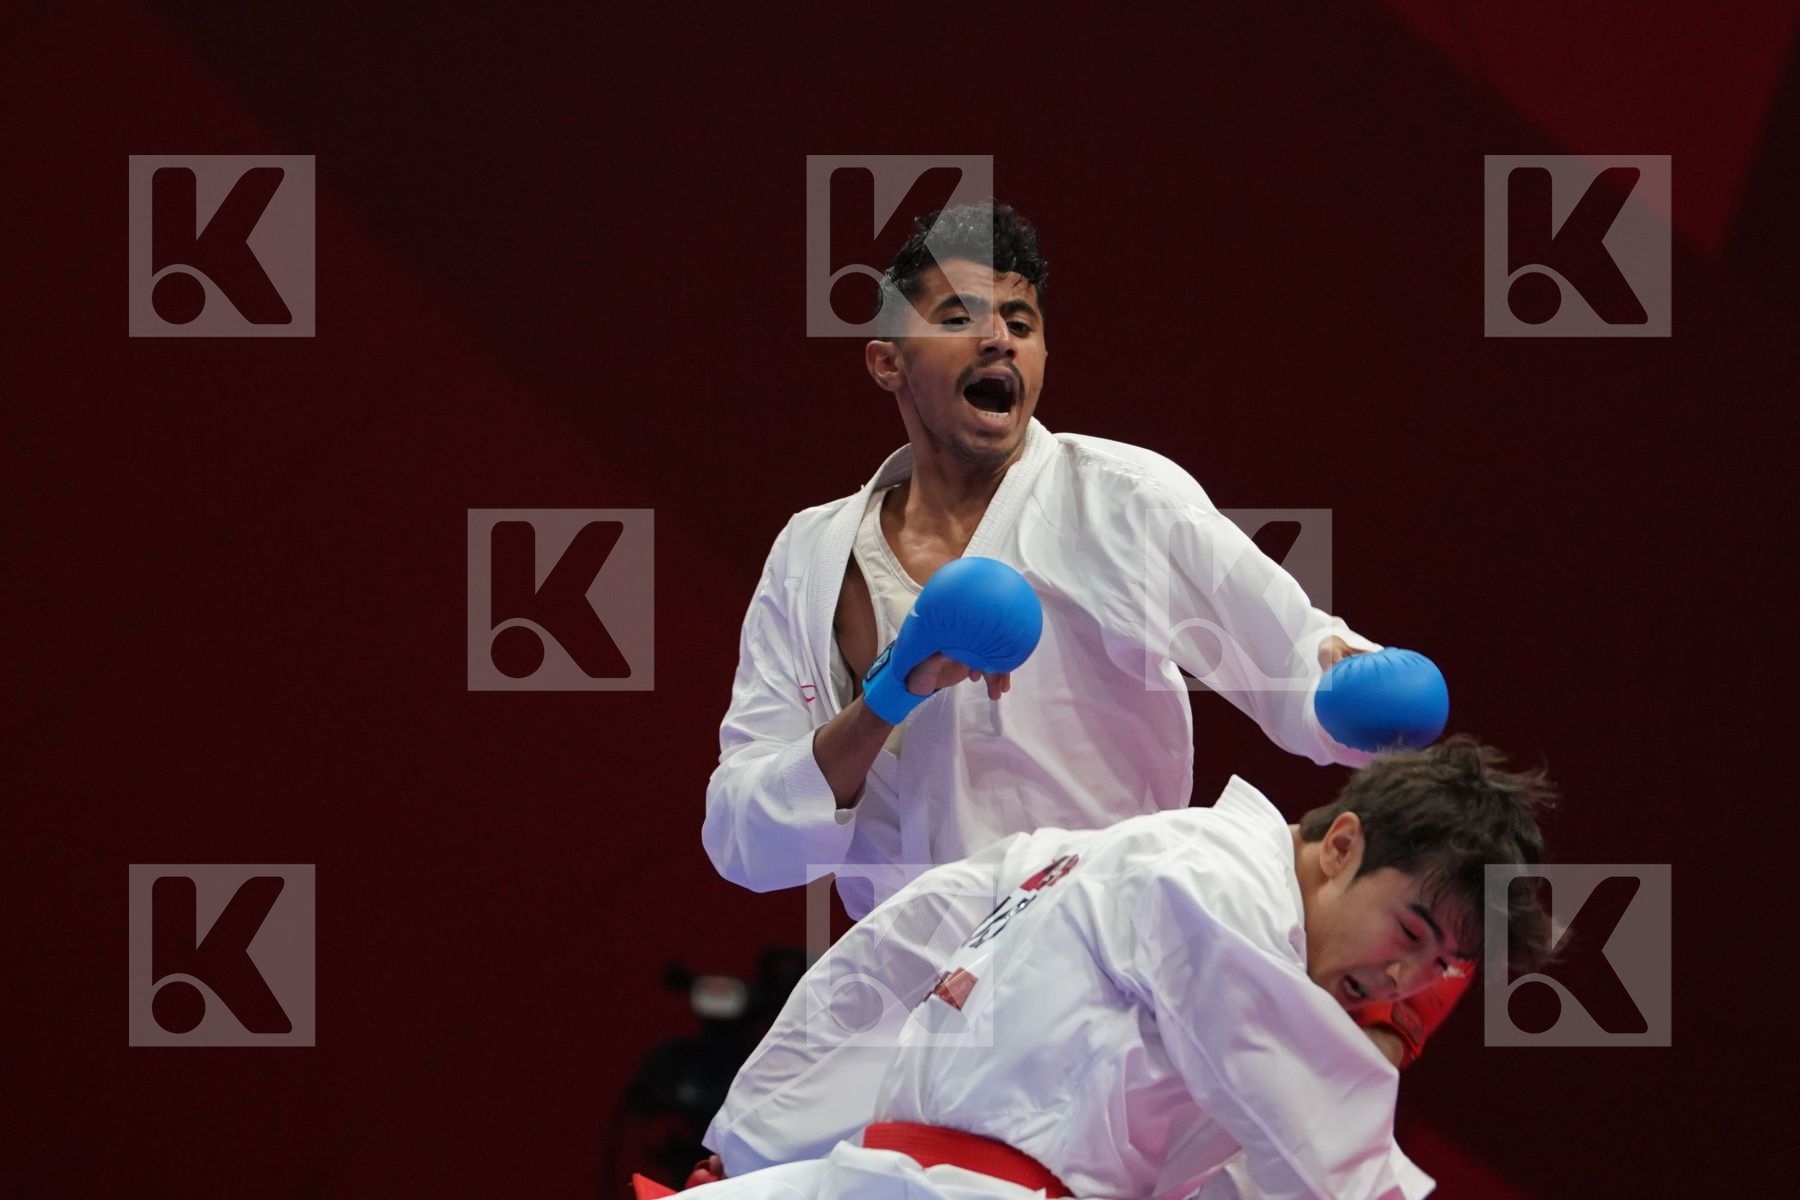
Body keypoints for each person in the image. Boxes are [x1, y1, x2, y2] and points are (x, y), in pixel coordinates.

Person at [704, 201, 1384, 924]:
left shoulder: (1121, 502)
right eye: (959, 318)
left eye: (1021, 324)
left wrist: (1360, 693)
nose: (998, 339)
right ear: (886, 361)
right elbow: (745, 841)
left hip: (1094, 968)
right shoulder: (811, 556)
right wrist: (886, 699)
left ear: (1043, 359)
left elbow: (1291, 658)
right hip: (901, 990)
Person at [686, 736, 1554, 1199]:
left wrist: (754, 1147)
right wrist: (1373, 1059)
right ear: (1342, 843)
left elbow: (876, 974)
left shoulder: (1082, 853)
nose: (1404, 980)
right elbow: (1326, 1168)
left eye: (1437, 966)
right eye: (1409, 931)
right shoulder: (1218, 896)